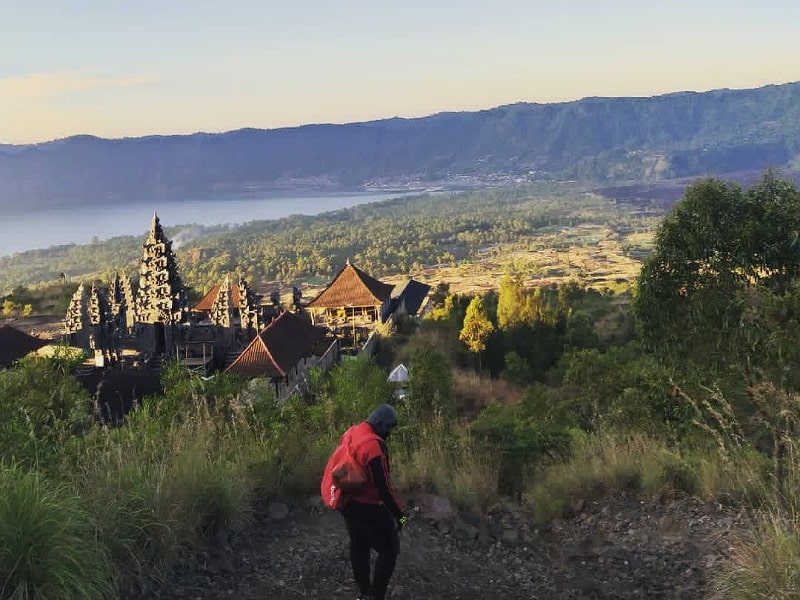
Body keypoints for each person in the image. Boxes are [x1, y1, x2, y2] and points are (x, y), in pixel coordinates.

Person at [340, 403, 408, 600]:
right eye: (389, 428)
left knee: (359, 544)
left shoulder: (352, 432)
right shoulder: (373, 446)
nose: (389, 433)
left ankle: (364, 592)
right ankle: (376, 596)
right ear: (381, 424)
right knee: (389, 549)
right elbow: (384, 487)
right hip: (368, 508)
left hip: (348, 503)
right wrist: (400, 516)